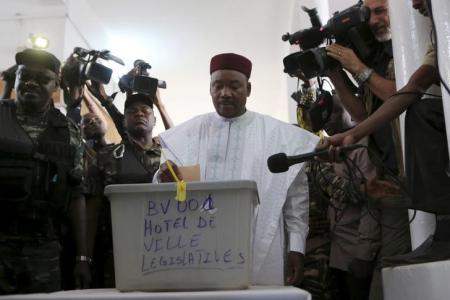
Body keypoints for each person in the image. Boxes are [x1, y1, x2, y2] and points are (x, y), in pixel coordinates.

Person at [157, 53, 319, 285]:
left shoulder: (279, 135)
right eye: (218, 86)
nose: (225, 93)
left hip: (261, 246)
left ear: (249, 89)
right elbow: (163, 186)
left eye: (234, 86)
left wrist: (296, 248)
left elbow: (296, 201)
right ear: (210, 88)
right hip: (198, 247)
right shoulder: (186, 134)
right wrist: (163, 175)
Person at [321, 0, 450, 266]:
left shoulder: (394, 53)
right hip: (391, 174)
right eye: (368, 14)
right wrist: (353, 135)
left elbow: (399, 91)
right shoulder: (432, 42)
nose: (413, 5)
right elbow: (411, 89)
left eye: (380, 10)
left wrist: (359, 68)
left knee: (423, 113)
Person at [0, 48, 90, 294]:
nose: (30, 83)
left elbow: (77, 193)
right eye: (24, 76)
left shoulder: (68, 131)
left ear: (56, 86)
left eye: (42, 80)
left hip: (43, 247)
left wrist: (82, 257)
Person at [85, 92, 161, 287]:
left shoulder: (172, 156)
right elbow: (91, 210)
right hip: (116, 253)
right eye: (132, 111)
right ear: (124, 122)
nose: (139, 114)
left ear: (154, 119)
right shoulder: (106, 157)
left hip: (164, 252)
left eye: (146, 110)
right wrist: (84, 257)